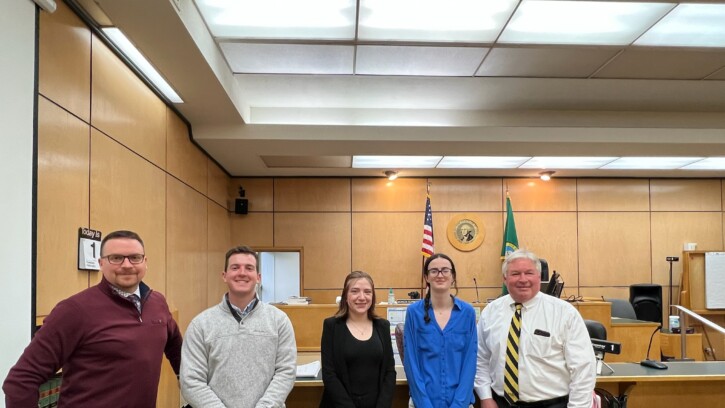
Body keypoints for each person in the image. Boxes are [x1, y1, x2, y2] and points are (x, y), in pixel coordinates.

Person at [3, 230, 182, 407]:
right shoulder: (73, 310)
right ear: (101, 263)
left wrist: (191, 383)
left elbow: (176, 347)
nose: (127, 265)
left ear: (145, 262)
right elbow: (20, 381)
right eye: (116, 258)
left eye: (135, 257)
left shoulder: (157, 302)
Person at [474, 249, 596, 408]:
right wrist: (485, 397)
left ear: (539, 277)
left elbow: (583, 369)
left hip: (552, 404)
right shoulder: (490, 312)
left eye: (529, 273)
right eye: (515, 273)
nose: (523, 279)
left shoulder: (564, 313)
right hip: (500, 403)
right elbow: (480, 359)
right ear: (505, 278)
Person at [181, 245, 296, 407]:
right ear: (224, 275)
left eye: (249, 268)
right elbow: (191, 381)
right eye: (235, 268)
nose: (242, 273)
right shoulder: (200, 325)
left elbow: (286, 373)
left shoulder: (279, 321)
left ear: (258, 277)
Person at [404, 253, 477, 408]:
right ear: (426, 277)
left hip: (460, 403)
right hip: (423, 402)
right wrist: (424, 404)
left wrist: (459, 404)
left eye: (445, 270)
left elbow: (470, 361)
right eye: (434, 271)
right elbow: (411, 362)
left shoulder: (467, 313)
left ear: (453, 276)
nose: (440, 275)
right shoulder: (413, 313)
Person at [320, 271, 396, 408]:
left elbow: (389, 371)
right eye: (355, 291)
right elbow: (329, 374)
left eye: (367, 292)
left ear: (373, 296)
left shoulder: (383, 326)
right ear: (345, 296)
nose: (362, 297)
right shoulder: (332, 326)